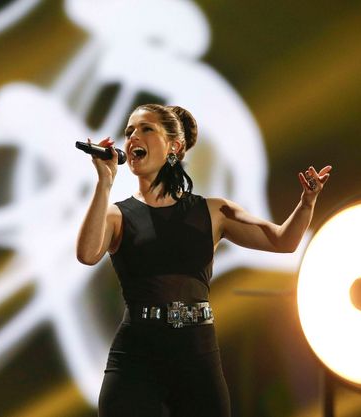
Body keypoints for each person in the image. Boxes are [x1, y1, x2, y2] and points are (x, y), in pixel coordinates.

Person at [76, 104, 331, 417]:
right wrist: (104, 182)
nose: (132, 138)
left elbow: (283, 241)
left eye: (145, 129)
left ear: (175, 146)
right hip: (137, 353)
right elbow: (87, 254)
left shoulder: (212, 211)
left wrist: (307, 203)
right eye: (128, 132)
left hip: (195, 350)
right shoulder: (117, 214)